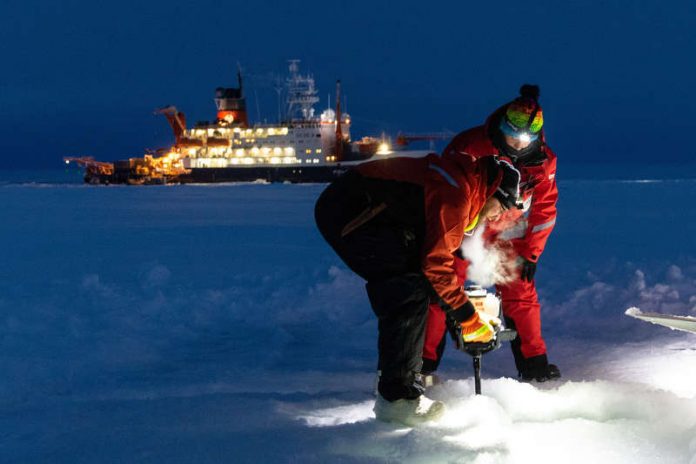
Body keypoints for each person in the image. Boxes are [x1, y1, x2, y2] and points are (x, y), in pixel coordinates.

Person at [314, 150, 522, 426]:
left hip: (362, 212)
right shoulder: (456, 196)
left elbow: (436, 262)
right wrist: (468, 318)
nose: (496, 216)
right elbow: (435, 265)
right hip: (350, 212)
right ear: (492, 192)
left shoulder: (463, 183)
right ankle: (397, 400)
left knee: (413, 283)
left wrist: (459, 307)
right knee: (406, 291)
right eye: (500, 208)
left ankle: (393, 383)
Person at [421, 84, 561, 383]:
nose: (519, 144)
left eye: (527, 139)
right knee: (439, 289)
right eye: (512, 135)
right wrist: (454, 234)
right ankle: (422, 365)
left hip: (508, 230)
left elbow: (545, 210)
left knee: (521, 292)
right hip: (469, 224)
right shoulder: (469, 146)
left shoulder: (545, 161)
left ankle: (534, 365)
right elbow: (448, 192)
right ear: (501, 126)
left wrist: (531, 253)